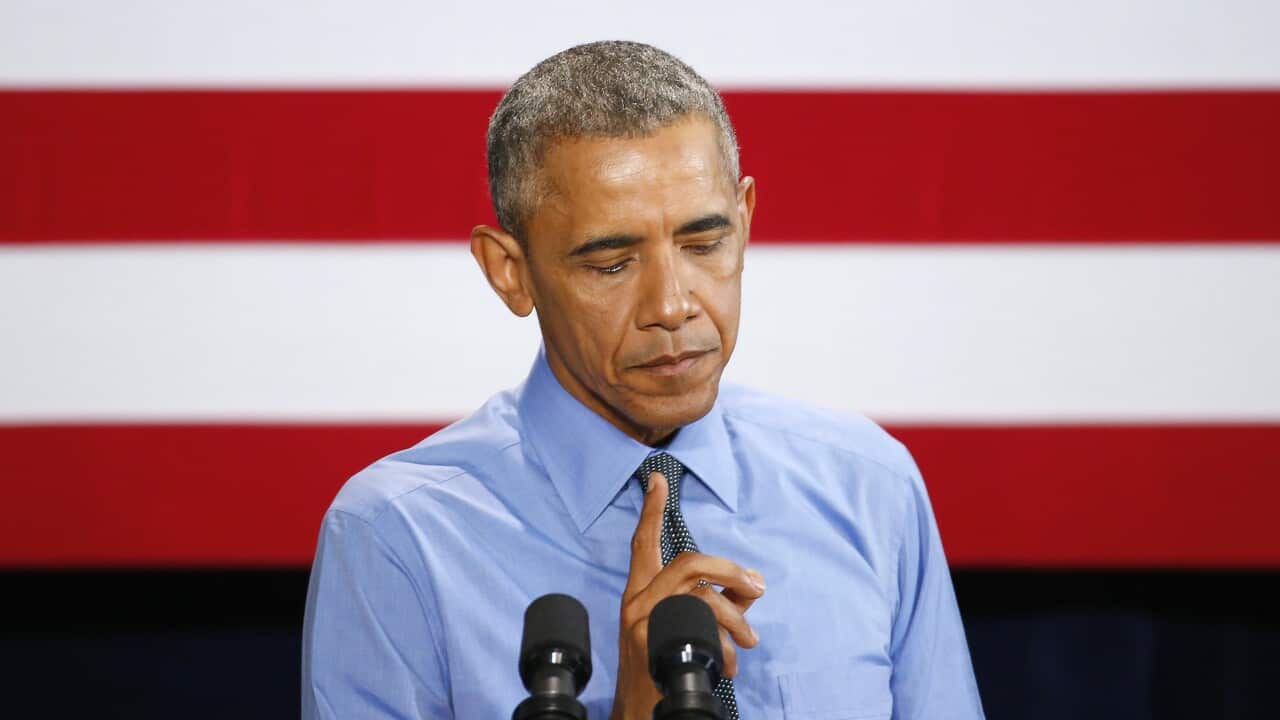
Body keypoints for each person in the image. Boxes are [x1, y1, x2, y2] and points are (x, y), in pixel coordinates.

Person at [302, 40, 984, 720]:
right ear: (509, 271)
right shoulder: (395, 538)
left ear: (743, 224)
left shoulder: (870, 487)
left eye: (704, 243)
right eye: (610, 264)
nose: (672, 305)